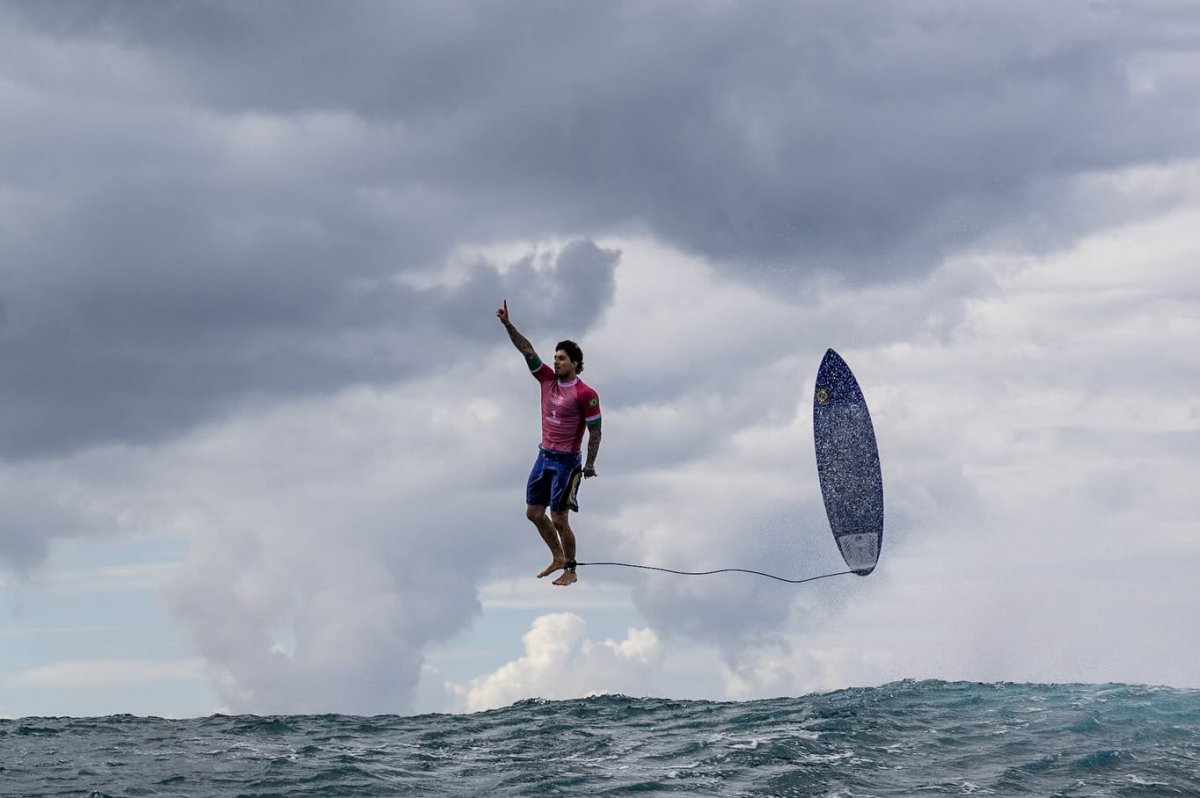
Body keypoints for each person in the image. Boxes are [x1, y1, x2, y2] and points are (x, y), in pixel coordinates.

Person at [496, 299, 602, 587]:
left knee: (559, 518)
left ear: (576, 364)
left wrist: (590, 464)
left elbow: (595, 430)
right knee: (533, 513)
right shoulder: (546, 380)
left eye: (562, 358)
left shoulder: (585, 393)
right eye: (555, 357)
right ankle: (556, 556)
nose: (556, 361)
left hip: (567, 462)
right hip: (544, 456)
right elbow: (527, 350)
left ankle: (571, 568)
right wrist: (507, 325)